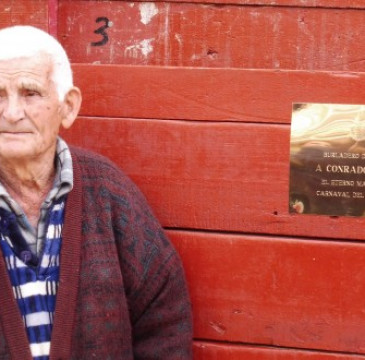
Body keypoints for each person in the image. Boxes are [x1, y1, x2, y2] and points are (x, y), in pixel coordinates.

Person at [0, 25, 192, 360]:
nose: (12, 112)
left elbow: (164, 315)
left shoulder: (108, 192)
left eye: (30, 93)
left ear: (68, 106)